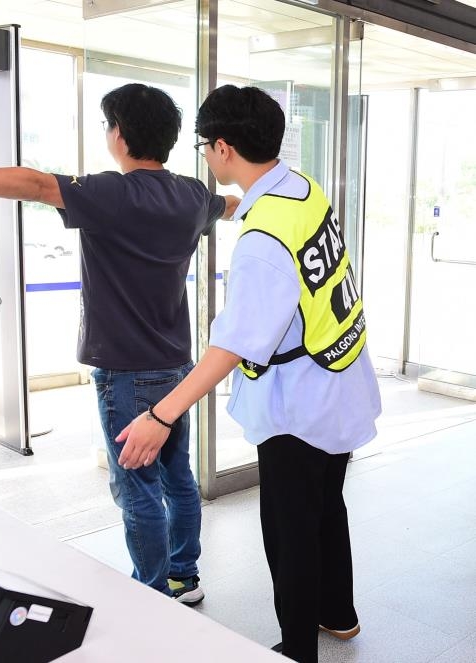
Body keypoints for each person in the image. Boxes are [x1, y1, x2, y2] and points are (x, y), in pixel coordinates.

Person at [0, 83, 240, 604]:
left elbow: (33, 183)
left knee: (136, 487)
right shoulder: (191, 194)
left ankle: (151, 593)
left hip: (126, 372)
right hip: (177, 368)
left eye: (107, 125)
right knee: (176, 478)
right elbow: (230, 203)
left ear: (120, 135)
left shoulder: (111, 194)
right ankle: (183, 578)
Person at [115, 85, 382, 663]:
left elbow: (233, 344)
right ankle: (339, 615)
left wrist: (162, 414)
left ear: (225, 148)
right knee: (326, 507)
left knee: (290, 534)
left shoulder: (262, 240)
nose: (205, 156)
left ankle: (296, 649)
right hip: (340, 379)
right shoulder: (301, 189)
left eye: (204, 146)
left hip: (300, 409)